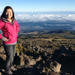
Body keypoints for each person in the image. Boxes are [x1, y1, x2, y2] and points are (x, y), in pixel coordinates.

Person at [0, 6, 19, 75]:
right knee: (9, 56)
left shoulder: (14, 20)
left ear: (12, 13)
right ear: (4, 13)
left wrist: (16, 33)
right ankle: (7, 70)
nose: (9, 14)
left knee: (13, 55)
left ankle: (11, 66)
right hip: (8, 43)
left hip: (14, 41)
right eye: (7, 12)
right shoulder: (2, 21)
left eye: (10, 12)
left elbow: (17, 26)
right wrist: (2, 37)